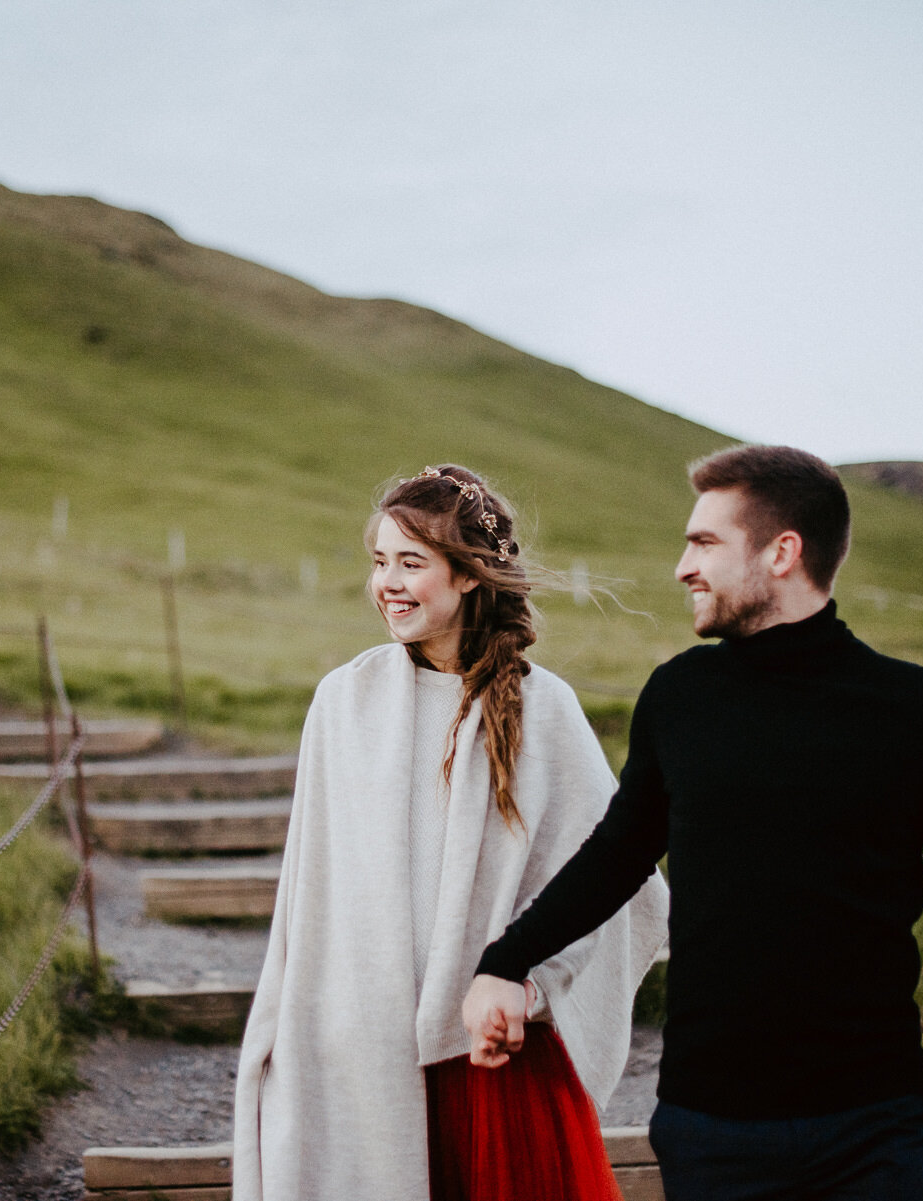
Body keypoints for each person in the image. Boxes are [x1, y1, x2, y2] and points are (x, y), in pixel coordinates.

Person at [464, 445, 923, 1201]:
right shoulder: (680, 696)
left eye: (705, 542)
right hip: (711, 1125)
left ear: (783, 551)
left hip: (877, 1127)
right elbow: (618, 855)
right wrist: (505, 960)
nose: (682, 566)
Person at [233, 464, 670, 1201]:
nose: (388, 583)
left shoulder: (545, 709)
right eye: (379, 561)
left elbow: (615, 882)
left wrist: (529, 989)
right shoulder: (344, 701)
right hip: (364, 1055)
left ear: (468, 575)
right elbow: (313, 894)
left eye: (411, 562)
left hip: (493, 1061)